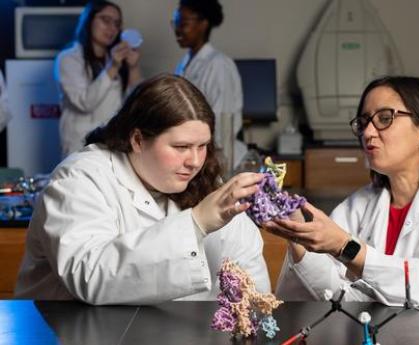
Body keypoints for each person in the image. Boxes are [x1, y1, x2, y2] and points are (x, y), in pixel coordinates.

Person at [15, 74, 270, 305]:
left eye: (202, 146)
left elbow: (252, 285)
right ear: (137, 140)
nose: (194, 161)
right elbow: (89, 275)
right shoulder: (80, 179)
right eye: (181, 147)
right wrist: (196, 223)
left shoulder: (205, 185)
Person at [265, 76, 419, 306]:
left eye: (385, 119)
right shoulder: (359, 206)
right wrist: (299, 239)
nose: (367, 132)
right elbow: (337, 298)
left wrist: (347, 247)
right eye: (363, 122)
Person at [55, 1, 142, 157]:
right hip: (80, 145)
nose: (112, 28)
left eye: (116, 24)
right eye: (106, 20)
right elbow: (84, 103)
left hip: (112, 142)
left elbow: (136, 104)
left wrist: (133, 67)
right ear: (89, 21)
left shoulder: (114, 58)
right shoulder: (69, 58)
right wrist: (113, 67)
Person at [172, 0, 246, 170]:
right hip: (195, 154)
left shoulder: (219, 65)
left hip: (220, 159)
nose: (177, 29)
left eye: (183, 24)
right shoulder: (184, 63)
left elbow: (223, 123)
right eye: (175, 23)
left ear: (203, 24)